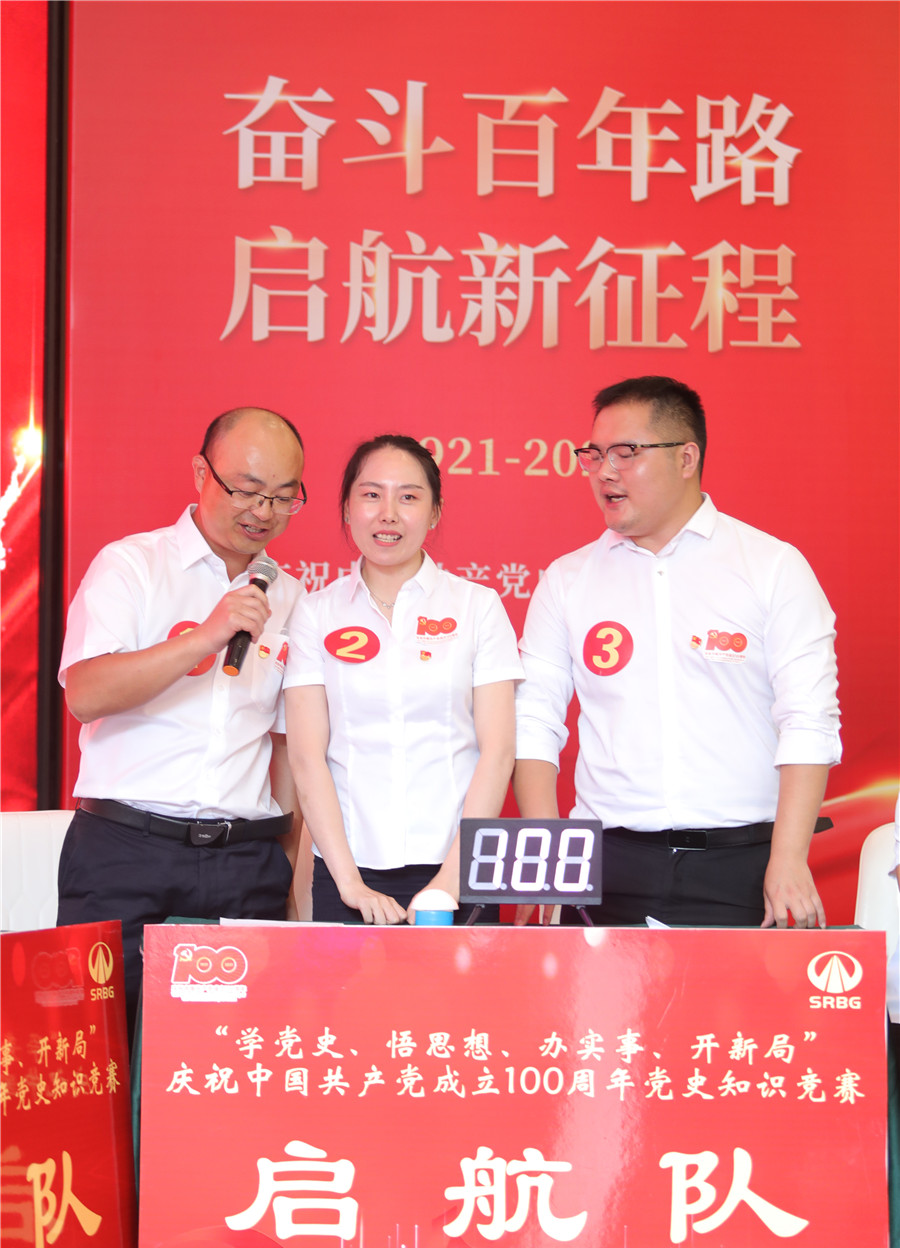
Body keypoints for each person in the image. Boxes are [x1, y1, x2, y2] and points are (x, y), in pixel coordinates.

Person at [514, 376, 841, 930]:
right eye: (594, 455)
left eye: (626, 453)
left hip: (745, 868)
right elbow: (533, 718)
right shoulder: (568, 580)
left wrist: (788, 858)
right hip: (604, 867)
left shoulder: (771, 567)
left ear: (686, 457)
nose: (604, 472)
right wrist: (548, 853)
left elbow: (808, 719)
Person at [57, 407, 307, 1038]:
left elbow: (286, 749)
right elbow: (85, 693)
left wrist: (285, 865)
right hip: (124, 853)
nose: (263, 512)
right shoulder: (132, 565)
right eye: (247, 490)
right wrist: (206, 635)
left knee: (230, 1060)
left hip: (245, 863)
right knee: (100, 1052)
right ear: (201, 473)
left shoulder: (291, 597)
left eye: (283, 497)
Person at [284, 434, 522, 924]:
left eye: (408, 497)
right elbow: (307, 758)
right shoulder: (315, 613)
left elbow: (497, 752)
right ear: (347, 508)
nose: (388, 514)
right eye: (371, 494)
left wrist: (449, 882)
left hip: (459, 870)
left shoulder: (477, 607)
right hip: (348, 873)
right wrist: (350, 884)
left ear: (434, 513)